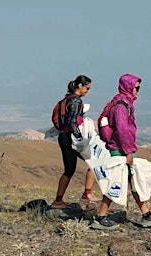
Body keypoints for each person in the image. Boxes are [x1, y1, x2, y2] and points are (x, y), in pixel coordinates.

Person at [92, 73, 151, 229]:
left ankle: (146, 213)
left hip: (122, 149)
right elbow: (122, 129)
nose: (137, 91)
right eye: (136, 88)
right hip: (121, 150)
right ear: (128, 87)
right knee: (115, 182)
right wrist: (128, 151)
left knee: (133, 180)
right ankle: (101, 217)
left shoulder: (121, 102)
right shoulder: (121, 106)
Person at [51, 75, 99, 209]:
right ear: (80, 86)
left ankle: (58, 200)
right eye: (87, 88)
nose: (88, 91)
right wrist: (80, 139)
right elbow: (72, 122)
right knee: (94, 161)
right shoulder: (76, 101)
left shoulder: (65, 100)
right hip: (71, 138)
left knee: (69, 169)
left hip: (63, 137)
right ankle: (87, 193)